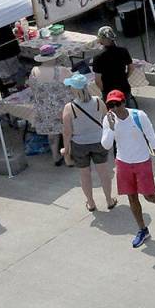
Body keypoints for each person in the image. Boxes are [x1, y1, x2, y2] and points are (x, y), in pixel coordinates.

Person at [100, 90, 155, 248]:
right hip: (123, 163)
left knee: (149, 196)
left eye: (117, 104)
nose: (115, 108)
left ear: (124, 102)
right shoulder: (108, 120)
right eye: (111, 105)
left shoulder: (139, 116)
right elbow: (105, 145)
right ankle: (142, 229)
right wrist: (111, 128)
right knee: (132, 198)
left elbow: (152, 137)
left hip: (142, 161)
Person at [60, 72, 115, 212]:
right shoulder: (98, 101)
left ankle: (91, 203)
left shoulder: (69, 107)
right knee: (103, 171)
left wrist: (66, 149)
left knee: (84, 174)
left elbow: (67, 132)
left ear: (74, 89)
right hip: (98, 141)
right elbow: (106, 119)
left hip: (79, 144)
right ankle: (109, 200)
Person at [29, 44, 74, 166]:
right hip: (62, 108)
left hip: (44, 109)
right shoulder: (62, 71)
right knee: (67, 132)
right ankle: (68, 156)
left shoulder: (34, 71)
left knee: (52, 134)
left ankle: (55, 156)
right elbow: (74, 84)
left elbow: (32, 88)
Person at [91, 26, 134, 104]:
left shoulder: (98, 57)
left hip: (109, 92)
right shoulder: (123, 51)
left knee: (112, 114)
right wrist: (125, 77)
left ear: (102, 39)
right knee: (127, 111)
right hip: (124, 87)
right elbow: (131, 68)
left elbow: (98, 80)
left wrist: (104, 90)